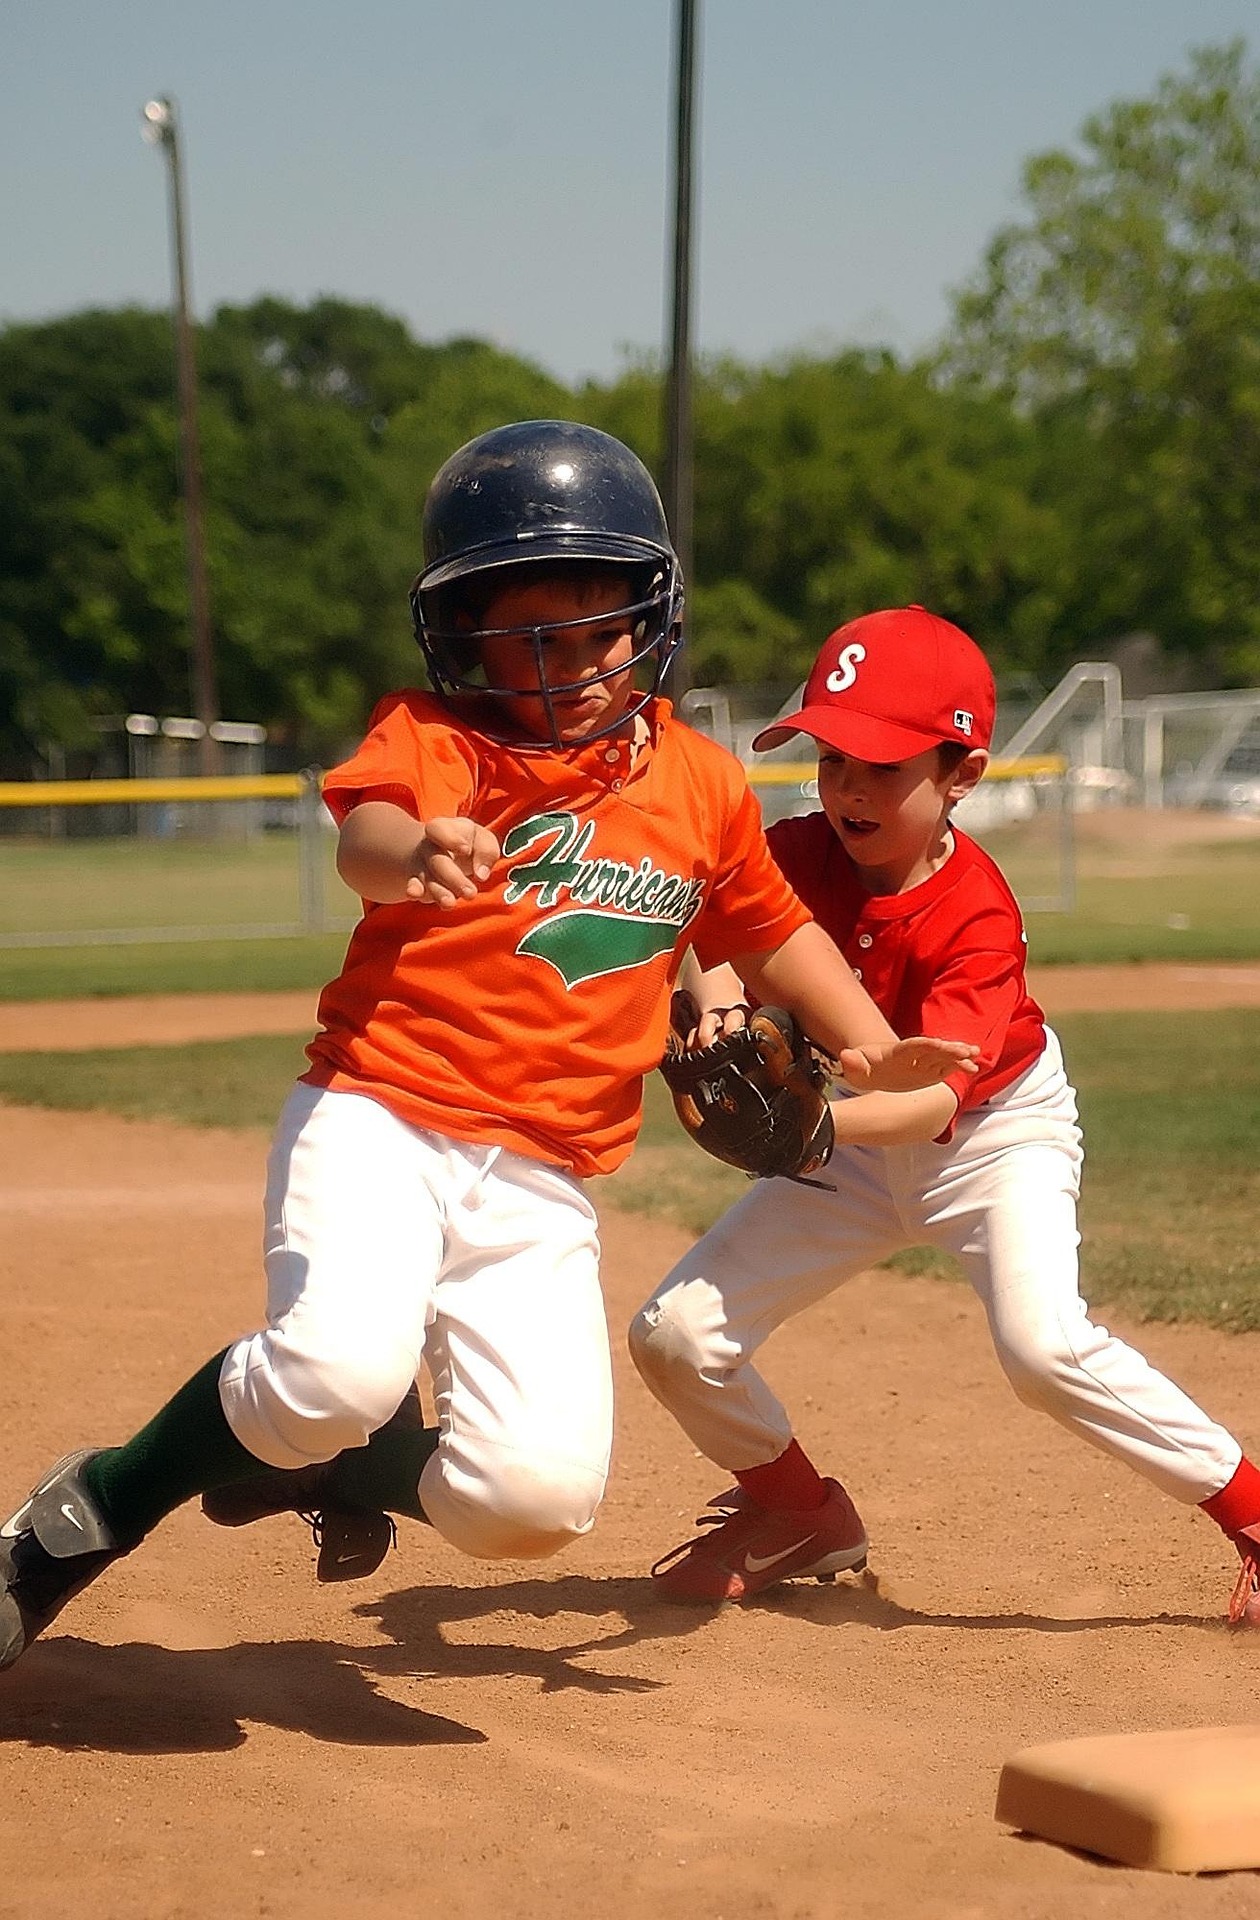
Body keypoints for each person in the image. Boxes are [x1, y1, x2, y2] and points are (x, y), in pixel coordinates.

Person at [0, 427, 977, 1672]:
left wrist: (872, 1043)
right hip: (383, 1114)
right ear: (464, 638)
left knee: (534, 1502)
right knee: (331, 1370)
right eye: (531, 642)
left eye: (595, 633)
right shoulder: (439, 738)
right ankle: (87, 1516)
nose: (571, 669)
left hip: (541, 1174)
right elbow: (367, 836)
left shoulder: (701, 784)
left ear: (649, 620)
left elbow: (776, 936)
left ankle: (349, 1466)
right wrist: (413, 854)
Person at [629, 605, 1260, 1625]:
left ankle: (1255, 1516)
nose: (847, 788)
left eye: (883, 767)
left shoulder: (978, 912)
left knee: (1043, 1351)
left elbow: (932, 1107)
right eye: (834, 759)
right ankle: (800, 1515)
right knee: (675, 1336)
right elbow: (703, 919)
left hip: (992, 1140)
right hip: (844, 1141)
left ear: (961, 773)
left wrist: (815, 1130)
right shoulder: (796, 853)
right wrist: (720, 1004)